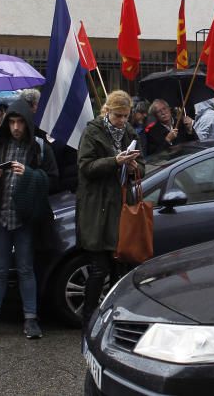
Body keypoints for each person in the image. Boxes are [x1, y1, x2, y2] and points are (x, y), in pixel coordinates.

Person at [0, 99, 57, 340]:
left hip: (27, 219)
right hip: (0, 218)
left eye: (20, 122)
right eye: (11, 122)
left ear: (28, 123)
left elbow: (54, 180)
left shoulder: (39, 147)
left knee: (25, 269)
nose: (16, 127)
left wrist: (30, 174)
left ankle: (31, 319)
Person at [76, 90, 144, 326]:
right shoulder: (93, 132)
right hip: (97, 208)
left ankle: (113, 316)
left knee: (120, 267)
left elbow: (142, 168)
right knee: (98, 267)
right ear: (107, 111)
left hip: (121, 207)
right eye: (118, 116)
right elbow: (85, 167)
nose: (123, 121)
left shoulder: (129, 133)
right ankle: (88, 318)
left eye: (126, 116)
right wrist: (115, 161)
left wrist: (134, 165)